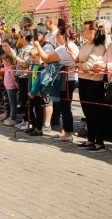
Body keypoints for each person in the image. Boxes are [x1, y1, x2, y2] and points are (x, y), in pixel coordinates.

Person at [33, 25, 79, 142]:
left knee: (65, 108)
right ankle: (65, 131)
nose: (55, 37)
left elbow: (46, 58)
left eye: (57, 35)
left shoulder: (65, 48)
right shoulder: (69, 46)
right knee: (64, 107)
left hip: (67, 80)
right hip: (69, 79)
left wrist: (38, 45)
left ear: (63, 36)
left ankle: (68, 133)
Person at [68, 20, 106, 152]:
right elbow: (79, 60)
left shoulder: (99, 46)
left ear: (92, 31)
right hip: (83, 81)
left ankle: (100, 142)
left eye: (84, 30)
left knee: (95, 113)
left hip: (93, 83)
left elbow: (89, 66)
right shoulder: (85, 44)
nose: (82, 32)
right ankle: (90, 139)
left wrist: (78, 65)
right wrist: (74, 58)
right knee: (87, 113)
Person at [25, 47, 52, 136]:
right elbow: (31, 80)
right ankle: (34, 125)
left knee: (38, 110)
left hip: (38, 92)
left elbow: (38, 82)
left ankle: (39, 128)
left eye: (33, 57)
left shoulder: (41, 67)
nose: (32, 59)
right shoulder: (33, 66)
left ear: (39, 56)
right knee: (29, 108)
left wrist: (33, 91)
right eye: (31, 57)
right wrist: (30, 90)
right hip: (32, 91)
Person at [1, 53, 18, 126]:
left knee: (13, 104)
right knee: (11, 103)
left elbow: (15, 79)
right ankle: (11, 117)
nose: (3, 62)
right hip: (8, 88)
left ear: (7, 61)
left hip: (11, 88)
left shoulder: (11, 68)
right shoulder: (8, 68)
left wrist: (17, 87)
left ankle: (13, 118)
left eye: (4, 61)